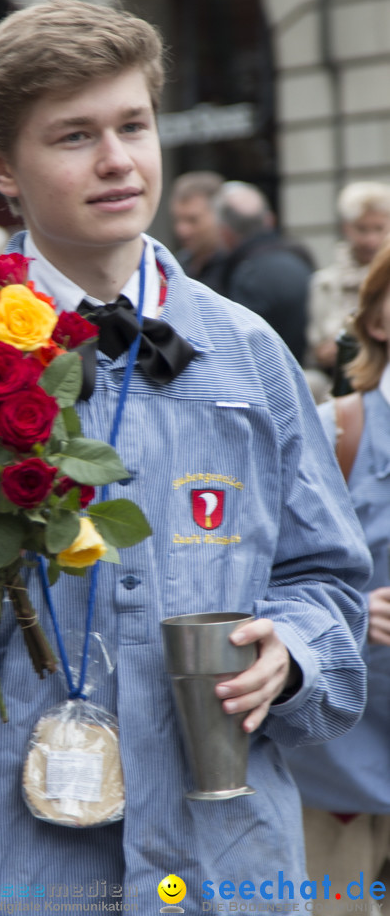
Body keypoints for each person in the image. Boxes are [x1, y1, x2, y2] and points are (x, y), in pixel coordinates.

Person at [0, 0, 370, 914]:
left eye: (133, 125)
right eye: (73, 136)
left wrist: (291, 653)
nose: (116, 161)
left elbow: (329, 588)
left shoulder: (247, 350)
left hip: (221, 873)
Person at [286, 240, 390, 907]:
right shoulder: (332, 432)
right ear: (376, 319)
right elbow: (264, 579)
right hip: (339, 777)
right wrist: (353, 609)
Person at [216, 181, 315, 364]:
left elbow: (245, 349)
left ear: (225, 233)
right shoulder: (300, 258)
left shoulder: (246, 277)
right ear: (270, 220)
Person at [306, 181, 390, 376]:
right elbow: (316, 351)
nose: (371, 240)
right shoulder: (325, 283)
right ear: (347, 228)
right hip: (340, 380)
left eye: (379, 228)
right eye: (362, 229)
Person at [168, 170, 227, 292]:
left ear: (219, 215)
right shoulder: (176, 266)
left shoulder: (236, 268)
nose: (182, 230)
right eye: (177, 220)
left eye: (192, 220)